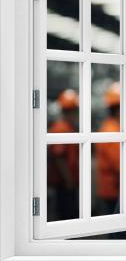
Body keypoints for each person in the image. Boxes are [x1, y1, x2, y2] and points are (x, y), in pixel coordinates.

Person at [95, 82, 126, 215]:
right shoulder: (114, 132)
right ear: (119, 109)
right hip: (116, 193)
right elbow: (124, 167)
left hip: (118, 190)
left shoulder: (117, 128)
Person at [47, 89, 80, 221]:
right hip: (64, 183)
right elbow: (59, 158)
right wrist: (68, 181)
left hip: (68, 181)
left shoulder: (67, 126)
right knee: (65, 215)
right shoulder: (61, 128)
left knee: (69, 214)